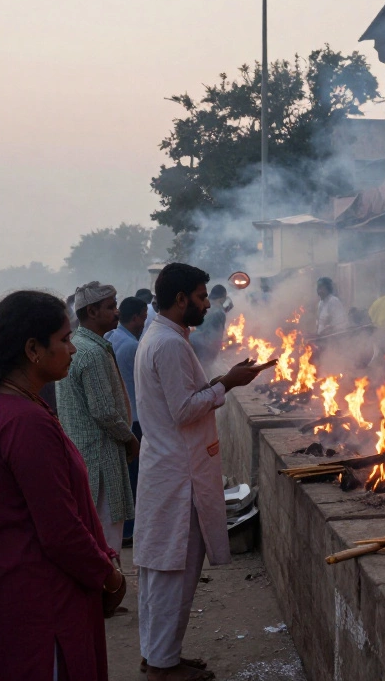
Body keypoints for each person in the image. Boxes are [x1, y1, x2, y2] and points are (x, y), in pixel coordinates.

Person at [0, 290, 125, 680]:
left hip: (15, 596)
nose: (73, 350)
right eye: (64, 340)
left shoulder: (9, 407)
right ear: (33, 349)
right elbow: (60, 531)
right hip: (36, 608)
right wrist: (109, 577)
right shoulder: (22, 421)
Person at [135, 263, 267, 681]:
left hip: (170, 468)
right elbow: (184, 409)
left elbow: (184, 396)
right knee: (175, 571)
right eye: (202, 296)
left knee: (164, 571)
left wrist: (222, 380)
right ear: (180, 300)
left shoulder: (166, 336)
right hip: (179, 474)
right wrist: (226, 384)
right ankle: (162, 664)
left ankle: (160, 654)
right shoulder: (169, 344)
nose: (208, 304)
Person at [57, 282, 136, 557]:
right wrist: (129, 437)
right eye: (111, 307)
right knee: (105, 539)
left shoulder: (80, 346)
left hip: (86, 456)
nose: (117, 313)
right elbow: (104, 411)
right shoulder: (89, 353)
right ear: (92, 311)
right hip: (100, 460)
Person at [107, 296, 149, 546]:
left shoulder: (114, 338)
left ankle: (126, 530)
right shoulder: (131, 346)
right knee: (134, 479)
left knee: (129, 478)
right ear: (135, 318)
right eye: (143, 317)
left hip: (127, 416)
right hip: (134, 418)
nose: (145, 322)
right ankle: (130, 531)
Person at [190, 285, 229, 368]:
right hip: (205, 348)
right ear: (222, 298)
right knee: (205, 372)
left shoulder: (204, 304)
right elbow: (216, 336)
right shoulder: (219, 312)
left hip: (194, 341)